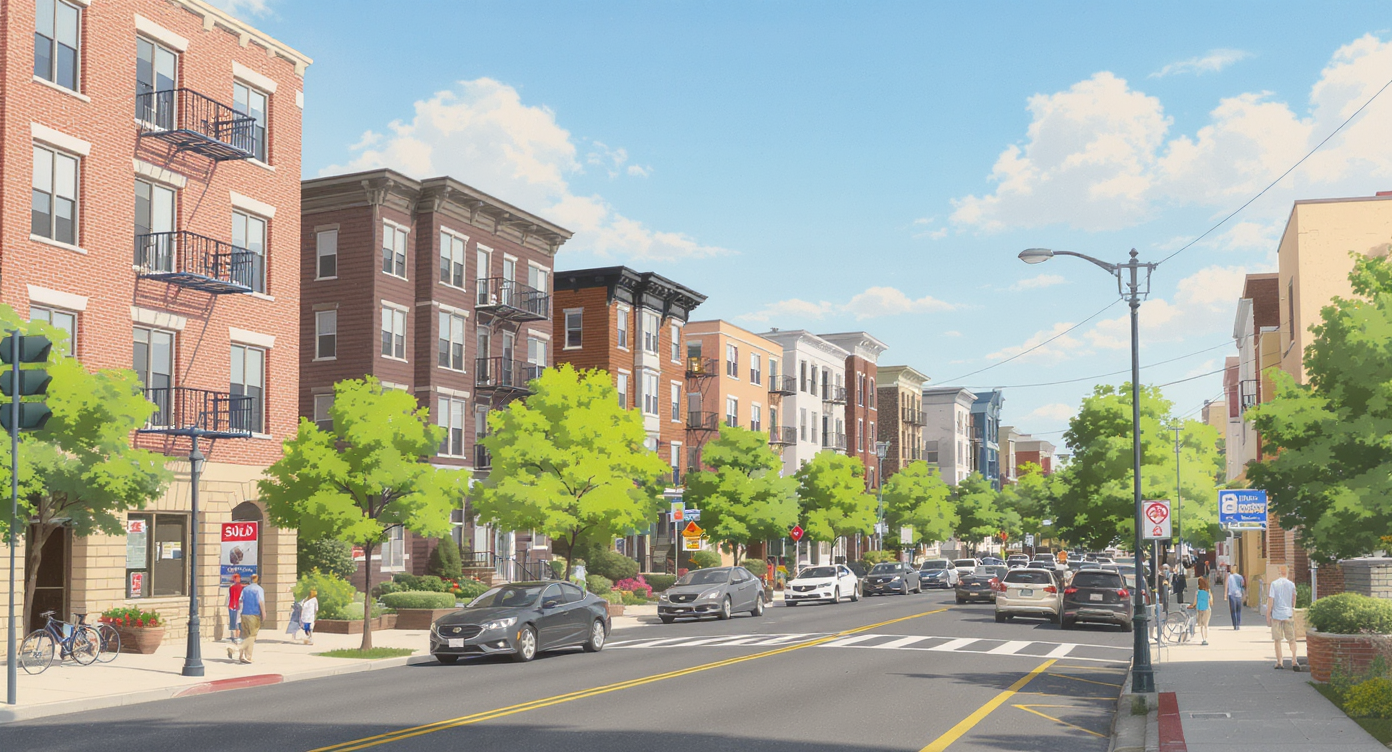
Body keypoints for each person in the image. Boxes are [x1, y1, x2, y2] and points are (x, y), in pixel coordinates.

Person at [1267, 565, 1300, 671]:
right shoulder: (1291, 584)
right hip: (1288, 613)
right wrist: (1292, 608)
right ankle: (1294, 660)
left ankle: (1279, 662)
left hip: (1277, 615)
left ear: (1279, 572)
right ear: (1287, 572)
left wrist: (1268, 614)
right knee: (1292, 639)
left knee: (1277, 639)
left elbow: (1271, 599)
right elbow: (1294, 598)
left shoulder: (1274, 584)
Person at [229, 573, 265, 664]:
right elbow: (260, 602)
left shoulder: (245, 589)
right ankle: (238, 649)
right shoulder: (259, 589)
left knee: (244, 635)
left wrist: (239, 614)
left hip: (244, 614)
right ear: (258, 580)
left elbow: (240, 601)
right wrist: (264, 613)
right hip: (254, 614)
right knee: (252, 636)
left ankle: (243, 656)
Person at [1189, 576, 1213, 645]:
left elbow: (1195, 602)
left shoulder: (1197, 592)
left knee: (1201, 625)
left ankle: (1203, 639)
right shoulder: (1208, 591)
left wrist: (1192, 606)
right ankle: (1206, 639)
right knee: (1206, 625)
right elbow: (1211, 601)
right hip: (1207, 609)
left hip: (1200, 610)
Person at [227, 573, 244, 644]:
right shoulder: (242, 587)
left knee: (233, 621)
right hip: (238, 606)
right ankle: (237, 636)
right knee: (236, 621)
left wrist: (232, 605)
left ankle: (234, 636)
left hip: (234, 606)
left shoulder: (232, 587)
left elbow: (232, 597)